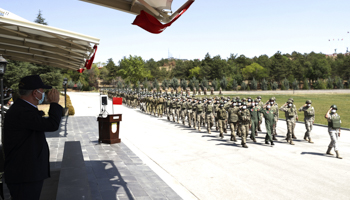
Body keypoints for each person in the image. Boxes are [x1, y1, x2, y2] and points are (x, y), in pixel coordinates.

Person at [3, 75, 63, 200]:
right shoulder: (22, 112)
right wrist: (54, 104)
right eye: (42, 91)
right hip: (24, 174)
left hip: (25, 172)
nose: (43, 94)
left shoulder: (22, 109)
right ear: (35, 93)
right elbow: (52, 125)